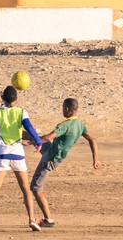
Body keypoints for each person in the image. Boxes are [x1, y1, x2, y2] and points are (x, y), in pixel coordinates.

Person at [30, 97, 100, 228]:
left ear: (67, 109)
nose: (62, 110)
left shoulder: (65, 125)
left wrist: (31, 143)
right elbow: (93, 139)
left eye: (63, 107)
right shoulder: (79, 124)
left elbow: (48, 137)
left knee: (35, 187)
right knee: (31, 134)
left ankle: (48, 219)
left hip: (50, 158)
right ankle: (14, 136)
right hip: (52, 151)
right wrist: (95, 159)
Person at [0, 85, 43, 231]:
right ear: (16, 99)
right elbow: (29, 127)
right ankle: (32, 219)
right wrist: (38, 141)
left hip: (2, 153)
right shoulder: (21, 112)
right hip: (17, 154)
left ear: (2, 98)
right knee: (26, 189)